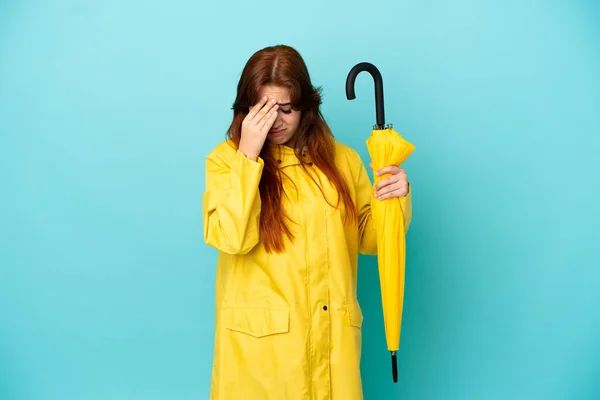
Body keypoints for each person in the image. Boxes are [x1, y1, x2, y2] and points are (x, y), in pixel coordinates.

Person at [202, 44, 412, 400]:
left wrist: (395, 198)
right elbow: (230, 237)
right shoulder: (226, 162)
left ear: (306, 107)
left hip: (332, 349)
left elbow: (373, 240)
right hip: (260, 357)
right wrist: (248, 157)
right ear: (246, 110)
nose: (276, 121)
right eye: (263, 110)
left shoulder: (342, 161)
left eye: (286, 109)